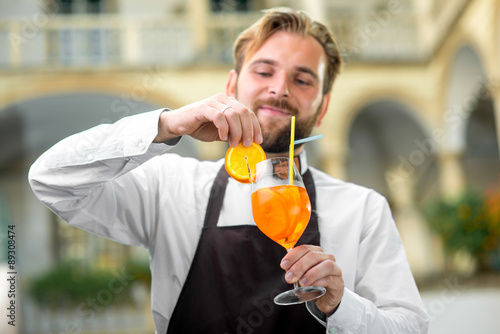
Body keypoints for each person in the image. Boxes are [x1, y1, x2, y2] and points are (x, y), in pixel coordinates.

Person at [29, 7, 429, 334]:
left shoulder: (363, 208)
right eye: (264, 71)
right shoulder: (172, 186)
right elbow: (50, 179)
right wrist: (166, 125)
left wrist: (342, 305)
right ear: (232, 85)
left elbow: (410, 327)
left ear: (322, 108)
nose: (279, 89)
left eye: (303, 79)